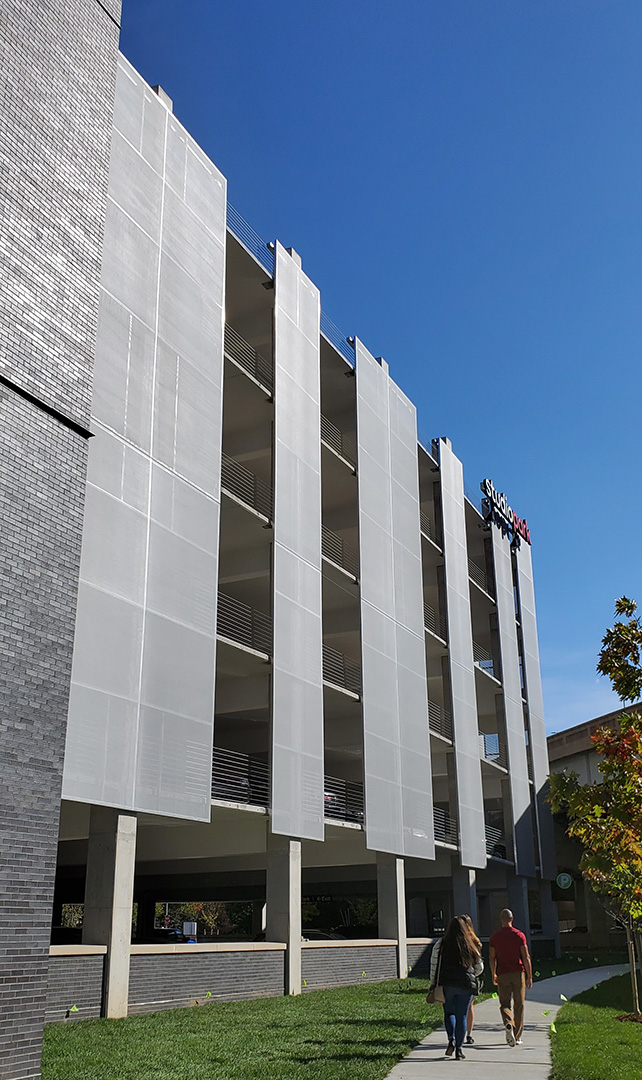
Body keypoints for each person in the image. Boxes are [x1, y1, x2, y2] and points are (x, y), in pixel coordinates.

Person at [429, 915, 484, 1061]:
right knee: (462, 1016)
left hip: (447, 983)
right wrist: (473, 974)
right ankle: (459, 1049)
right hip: (465, 984)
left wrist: (433, 982)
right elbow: (480, 967)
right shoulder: (469, 943)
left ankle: (451, 1040)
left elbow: (435, 964)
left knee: (449, 1013)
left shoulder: (442, 943)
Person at [489, 907, 533, 1047]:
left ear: (501, 920)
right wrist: (529, 976)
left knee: (504, 1004)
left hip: (502, 973)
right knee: (519, 1004)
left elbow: (492, 958)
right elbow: (525, 957)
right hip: (518, 973)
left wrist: (493, 973)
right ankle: (517, 1035)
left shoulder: (494, 937)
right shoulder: (519, 935)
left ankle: (508, 1023)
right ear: (512, 919)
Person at [460, 913, 482, 1044]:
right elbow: (479, 963)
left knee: (459, 1006)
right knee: (470, 1006)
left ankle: (460, 1034)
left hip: (460, 976)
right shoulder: (475, 941)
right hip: (472, 976)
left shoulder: (458, 940)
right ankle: (469, 1034)